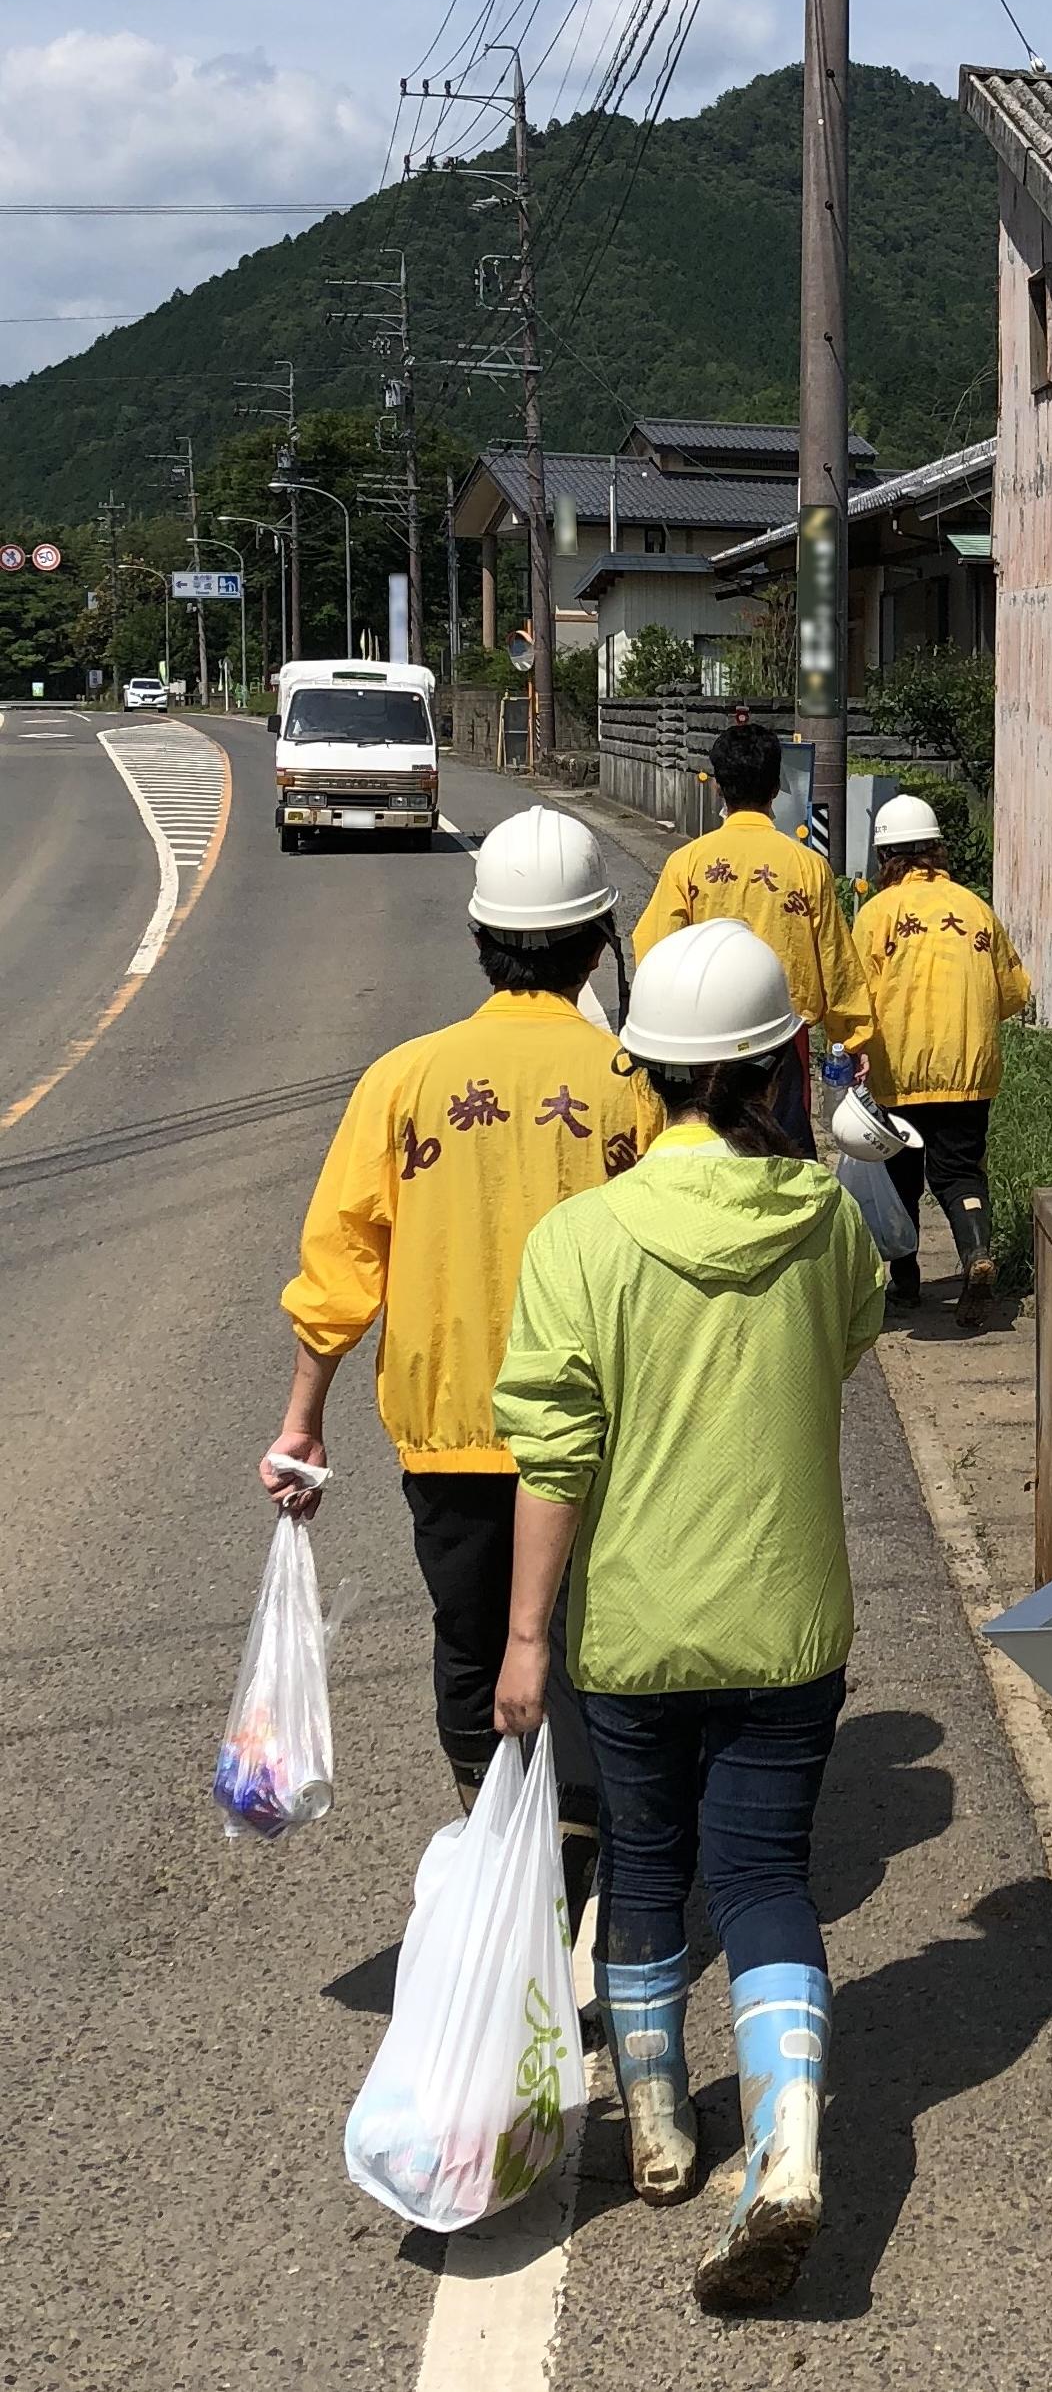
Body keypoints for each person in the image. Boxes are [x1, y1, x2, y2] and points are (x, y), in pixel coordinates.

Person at [489, 918, 886, 2315]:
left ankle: (658, 2133)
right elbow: (848, 1338)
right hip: (789, 1619)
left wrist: (527, 1637)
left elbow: (554, 1450)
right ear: (778, 1065)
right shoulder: (826, 1217)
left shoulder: (578, 1239)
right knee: (767, 1872)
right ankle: (786, 2145)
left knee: (645, 1865)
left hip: (633, 1630)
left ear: (643, 1070)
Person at [265, 807, 660, 1921]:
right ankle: (578, 1864)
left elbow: (340, 1261)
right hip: (601, 1426)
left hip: (449, 1423)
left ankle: (499, 1841)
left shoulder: (405, 1077)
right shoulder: (633, 1080)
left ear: (482, 937)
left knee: (471, 1642)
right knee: (589, 1645)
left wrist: (305, 1417)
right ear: (595, 943)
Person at [630, 722, 875, 1156]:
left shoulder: (687, 863)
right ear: (777, 785)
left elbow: (653, 947)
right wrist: (851, 1041)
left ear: (718, 788)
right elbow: (835, 964)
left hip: (700, 1041)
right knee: (783, 1154)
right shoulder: (806, 866)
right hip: (781, 1042)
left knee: (705, 1149)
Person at [853, 791, 1031, 1324]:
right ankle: (977, 1253)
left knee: (901, 1176)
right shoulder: (977, 909)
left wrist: (850, 1047)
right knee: (958, 1173)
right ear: (936, 851)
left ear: (887, 858)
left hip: (898, 1071)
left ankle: (906, 1286)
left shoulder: (878, 912)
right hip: (969, 1071)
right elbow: (1013, 992)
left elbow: (854, 991)